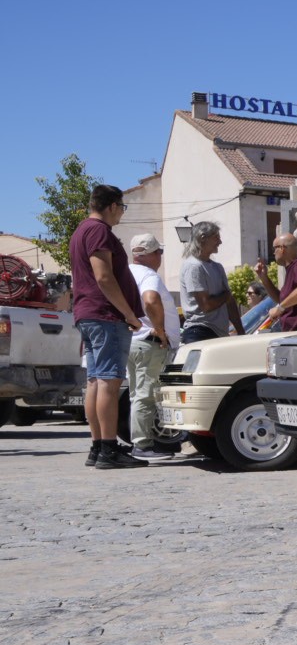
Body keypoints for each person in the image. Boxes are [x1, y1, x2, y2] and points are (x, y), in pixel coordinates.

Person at [68, 184, 145, 469]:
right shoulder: (99, 231)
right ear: (112, 205)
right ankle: (109, 449)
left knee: (95, 381)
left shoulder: (80, 231)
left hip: (88, 314)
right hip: (105, 315)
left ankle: (98, 447)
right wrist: (129, 314)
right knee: (108, 383)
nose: (122, 214)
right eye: (122, 208)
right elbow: (103, 277)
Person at [126, 234, 180, 461]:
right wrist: (159, 329)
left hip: (133, 341)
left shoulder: (126, 274)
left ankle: (139, 442)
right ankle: (142, 445)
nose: (160, 257)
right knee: (146, 396)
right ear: (148, 255)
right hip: (149, 343)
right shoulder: (149, 276)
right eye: (159, 252)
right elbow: (150, 300)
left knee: (136, 395)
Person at [178, 221, 244, 343]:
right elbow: (206, 305)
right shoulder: (193, 266)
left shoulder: (217, 267)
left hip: (220, 334)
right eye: (216, 237)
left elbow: (230, 303)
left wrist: (241, 331)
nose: (220, 242)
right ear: (203, 238)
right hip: (199, 332)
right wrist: (226, 296)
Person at [254, 232, 297, 331]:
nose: (273, 253)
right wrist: (264, 278)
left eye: (274, 249)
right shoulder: (291, 270)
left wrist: (279, 308)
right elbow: (282, 301)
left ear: (282, 248)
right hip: (293, 336)